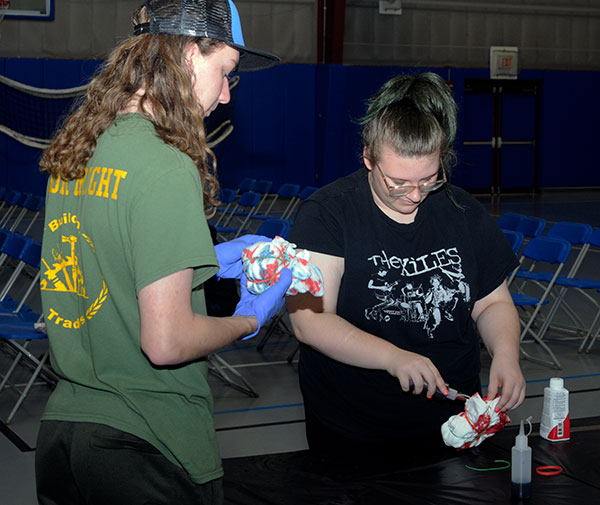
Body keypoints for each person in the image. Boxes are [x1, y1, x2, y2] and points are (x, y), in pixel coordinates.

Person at [35, 1, 291, 504]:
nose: (224, 96)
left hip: (65, 436)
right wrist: (251, 320)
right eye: (225, 74)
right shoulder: (166, 166)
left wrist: (209, 260)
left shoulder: (79, 150)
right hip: (146, 441)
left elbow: (111, 263)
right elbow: (166, 342)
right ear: (190, 54)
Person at [286, 72, 525, 466]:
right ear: (368, 157)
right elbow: (310, 322)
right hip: (356, 425)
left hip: (456, 418)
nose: (414, 196)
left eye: (428, 180)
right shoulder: (328, 213)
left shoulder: (462, 210)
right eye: (397, 183)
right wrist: (393, 357)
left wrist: (506, 353)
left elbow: (492, 302)